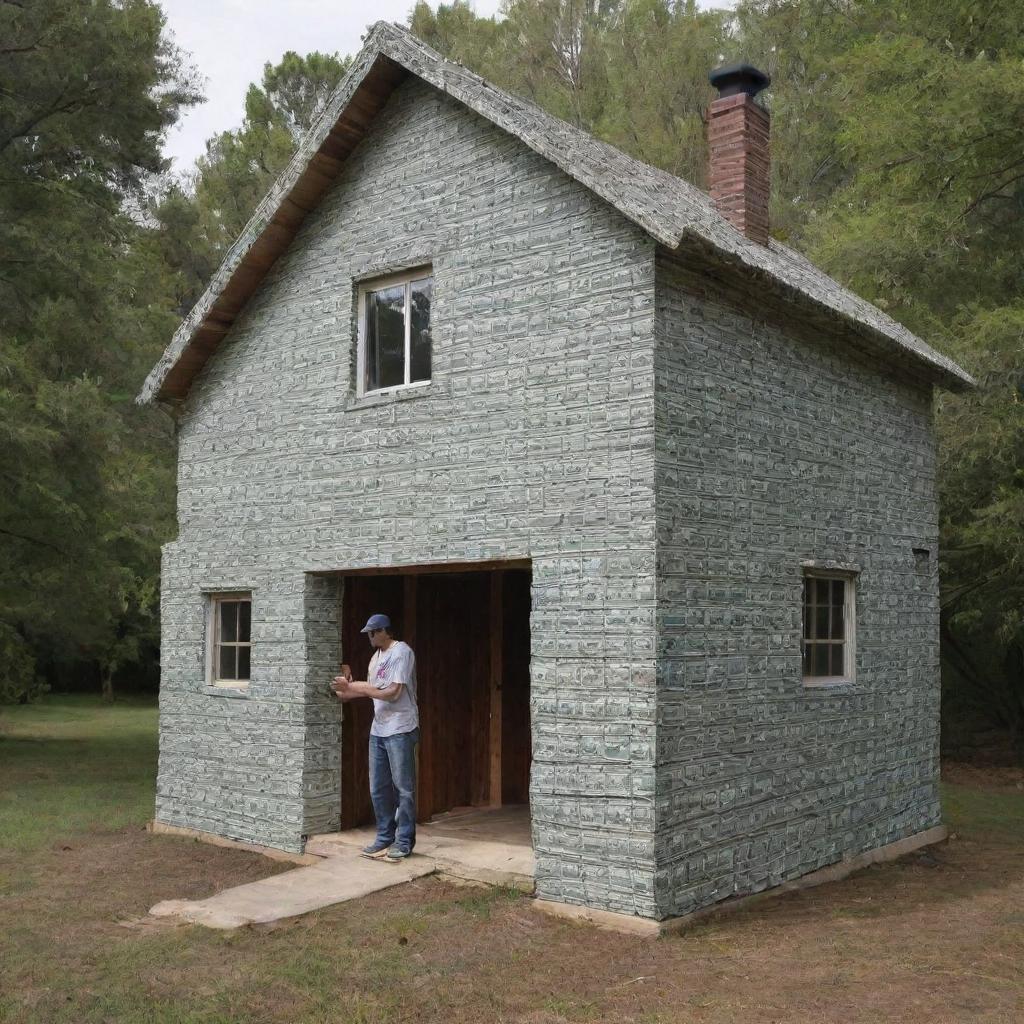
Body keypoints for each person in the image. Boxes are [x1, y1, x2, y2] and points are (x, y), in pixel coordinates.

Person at [332, 613, 419, 862]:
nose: (369, 637)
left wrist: (354, 686)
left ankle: (404, 841)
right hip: (379, 730)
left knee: (403, 788)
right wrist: (342, 690)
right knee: (378, 788)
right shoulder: (375, 659)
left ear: (384, 631)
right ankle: (384, 836)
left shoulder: (401, 652)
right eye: (368, 633)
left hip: (401, 728)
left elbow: (392, 692)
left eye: (372, 632)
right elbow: (371, 692)